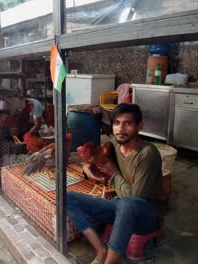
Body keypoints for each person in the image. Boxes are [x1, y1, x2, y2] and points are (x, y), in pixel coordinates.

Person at [66, 103, 165, 264]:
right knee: (66, 197)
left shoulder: (147, 154)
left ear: (139, 126)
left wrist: (113, 173)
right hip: (120, 209)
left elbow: (135, 198)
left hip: (147, 216)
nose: (120, 129)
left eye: (128, 123)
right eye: (116, 123)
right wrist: (87, 166)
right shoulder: (114, 143)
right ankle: (101, 250)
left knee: (128, 204)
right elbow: (98, 159)